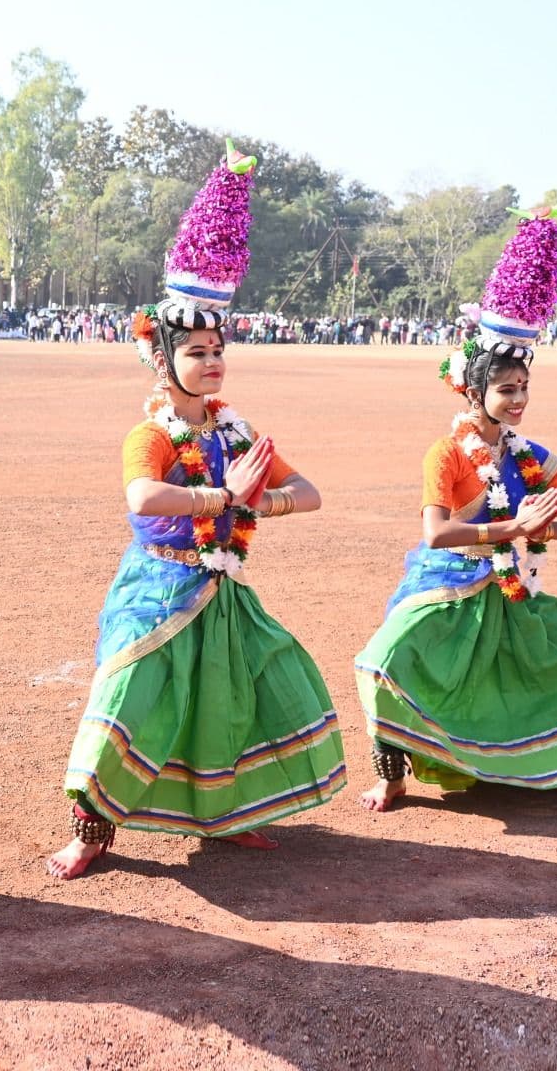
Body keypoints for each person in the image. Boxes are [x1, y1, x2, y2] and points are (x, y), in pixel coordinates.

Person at [48, 142, 345, 879]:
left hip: (224, 594)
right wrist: (222, 497)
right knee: (131, 693)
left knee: (237, 697)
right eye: (197, 352)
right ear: (165, 360)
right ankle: (91, 829)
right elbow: (142, 499)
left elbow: (308, 494)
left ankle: (228, 815)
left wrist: (260, 500)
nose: (212, 362)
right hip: (158, 587)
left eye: (219, 350)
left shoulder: (238, 430)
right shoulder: (150, 434)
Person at [356, 205, 557, 810]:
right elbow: (436, 534)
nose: (519, 399)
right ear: (473, 390)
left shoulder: (535, 456)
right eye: (507, 389)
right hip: (449, 590)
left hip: (515, 598)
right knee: (383, 664)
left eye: (524, 387)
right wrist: (511, 527)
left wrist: (544, 530)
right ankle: (392, 778)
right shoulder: (447, 453)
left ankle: (519, 763)